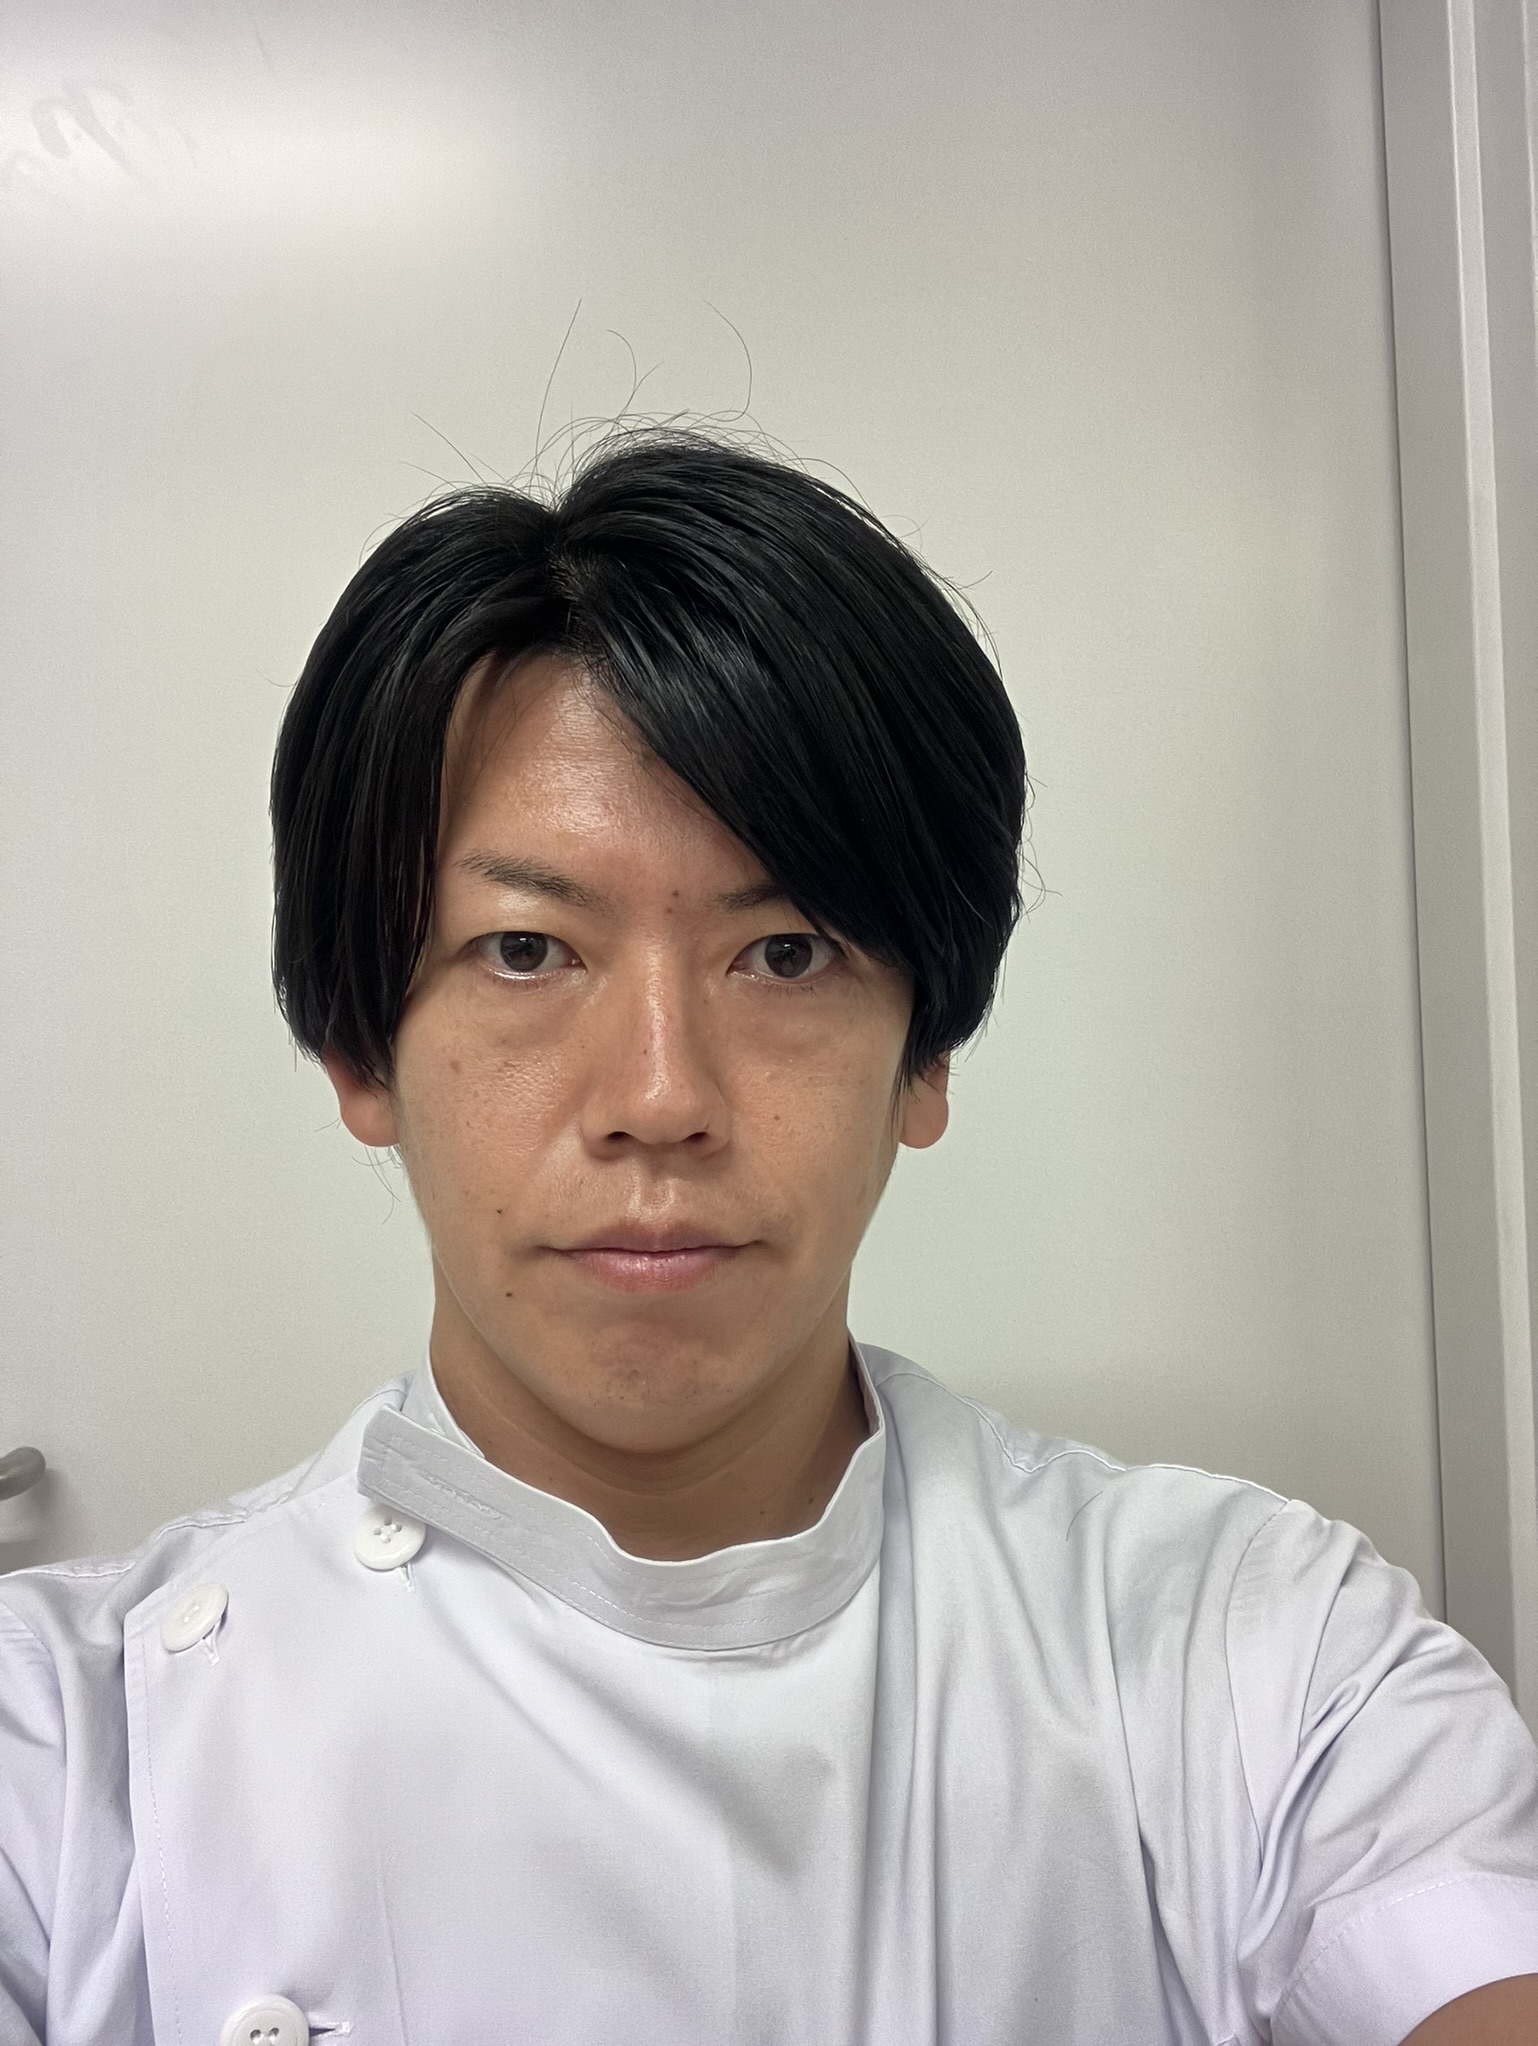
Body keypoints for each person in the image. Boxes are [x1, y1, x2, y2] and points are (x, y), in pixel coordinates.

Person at [2, 431, 1536, 2046]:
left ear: (923, 1058)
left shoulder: (1249, 1646)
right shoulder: (69, 1743)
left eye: (786, 951)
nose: (661, 1097)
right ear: (359, 1052)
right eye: (525, 948)